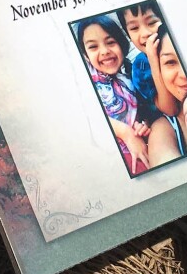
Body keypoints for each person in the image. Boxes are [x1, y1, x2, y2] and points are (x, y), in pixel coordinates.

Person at [74, 15, 179, 175]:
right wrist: (126, 132)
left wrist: (140, 125)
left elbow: (139, 113)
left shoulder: (129, 78)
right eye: (93, 47)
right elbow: (86, 115)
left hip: (138, 152)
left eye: (110, 43)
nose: (104, 51)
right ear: (86, 55)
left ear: (123, 46)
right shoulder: (85, 78)